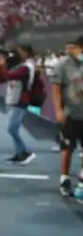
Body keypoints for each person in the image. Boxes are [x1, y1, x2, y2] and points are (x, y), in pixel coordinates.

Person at [0, 44, 38, 166]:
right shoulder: (20, 66)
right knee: (13, 128)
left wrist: (3, 64)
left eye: (18, 52)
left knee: (12, 128)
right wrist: (0, 65)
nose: (16, 55)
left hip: (19, 101)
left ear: (26, 53)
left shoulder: (26, 67)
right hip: (13, 99)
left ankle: (25, 151)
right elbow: (2, 79)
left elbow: (7, 76)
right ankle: (19, 153)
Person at [53, 36, 83, 198]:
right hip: (70, 114)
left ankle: (82, 181)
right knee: (67, 148)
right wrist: (58, 110)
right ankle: (64, 180)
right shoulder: (62, 66)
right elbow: (56, 90)